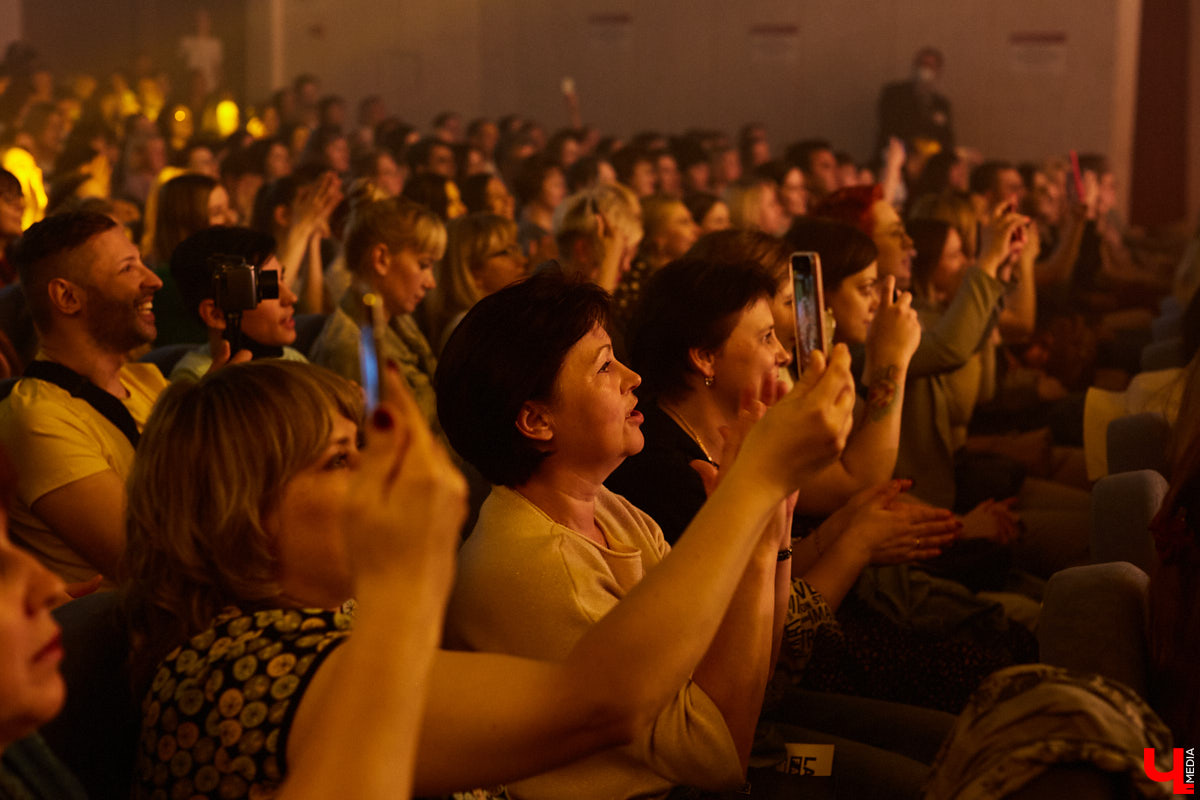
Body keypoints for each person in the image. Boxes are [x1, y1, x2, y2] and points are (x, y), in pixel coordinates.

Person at [123, 344, 861, 799]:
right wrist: (753, 485)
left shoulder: (323, 626)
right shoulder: (241, 668)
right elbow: (599, 703)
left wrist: (765, 516)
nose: (383, 479)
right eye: (343, 461)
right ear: (240, 515)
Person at [438, 269, 921, 798]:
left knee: (930, 757)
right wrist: (757, 496)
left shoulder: (610, 508)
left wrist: (774, 517)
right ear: (536, 420)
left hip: (711, 763)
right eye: (604, 367)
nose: (633, 376)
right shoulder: (538, 564)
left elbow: (753, 661)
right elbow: (715, 757)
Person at [0, 212, 167, 585]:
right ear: (68, 297)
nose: (153, 280)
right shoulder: (38, 419)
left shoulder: (147, 379)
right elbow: (152, 567)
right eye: (128, 269)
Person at [308, 196, 444, 435]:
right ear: (381, 258)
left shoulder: (397, 321)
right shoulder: (351, 348)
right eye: (423, 265)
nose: (431, 282)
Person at [167, 226, 304, 381]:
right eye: (266, 287)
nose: (291, 298)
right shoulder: (196, 380)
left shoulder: (293, 360)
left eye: (282, 278)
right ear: (216, 315)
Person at [426, 212, 527, 352]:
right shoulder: (473, 329)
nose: (521, 261)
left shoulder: (494, 321)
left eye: (517, 249)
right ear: (472, 270)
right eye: (507, 252)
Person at [876, 47, 955, 156]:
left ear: (938, 70)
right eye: (922, 64)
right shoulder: (895, 94)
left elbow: (946, 137)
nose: (925, 69)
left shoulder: (941, 104)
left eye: (930, 66)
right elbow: (890, 126)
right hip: (896, 156)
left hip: (928, 163)